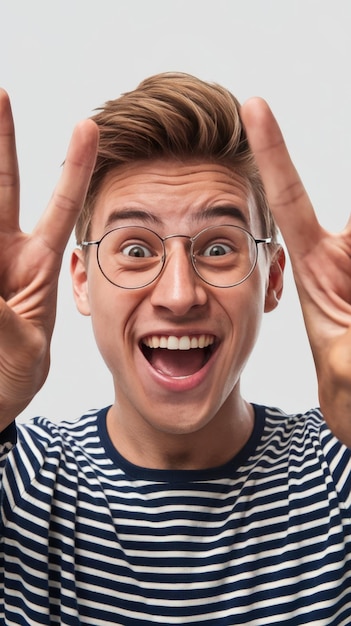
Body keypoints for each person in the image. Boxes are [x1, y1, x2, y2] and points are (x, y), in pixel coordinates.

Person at [0, 71, 350, 625]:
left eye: (217, 248)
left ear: (274, 278)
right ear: (83, 280)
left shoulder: (337, 473)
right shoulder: (21, 480)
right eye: (135, 249)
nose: (179, 295)